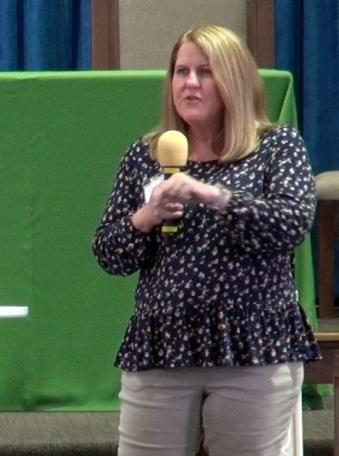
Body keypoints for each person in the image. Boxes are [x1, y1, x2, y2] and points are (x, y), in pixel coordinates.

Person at [91, 25, 320, 456]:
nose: (189, 83)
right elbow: (108, 252)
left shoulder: (275, 146)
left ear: (234, 79)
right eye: (181, 72)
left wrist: (212, 195)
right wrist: (146, 217)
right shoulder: (146, 154)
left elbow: (291, 224)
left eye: (205, 72)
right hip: (162, 345)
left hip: (254, 347)